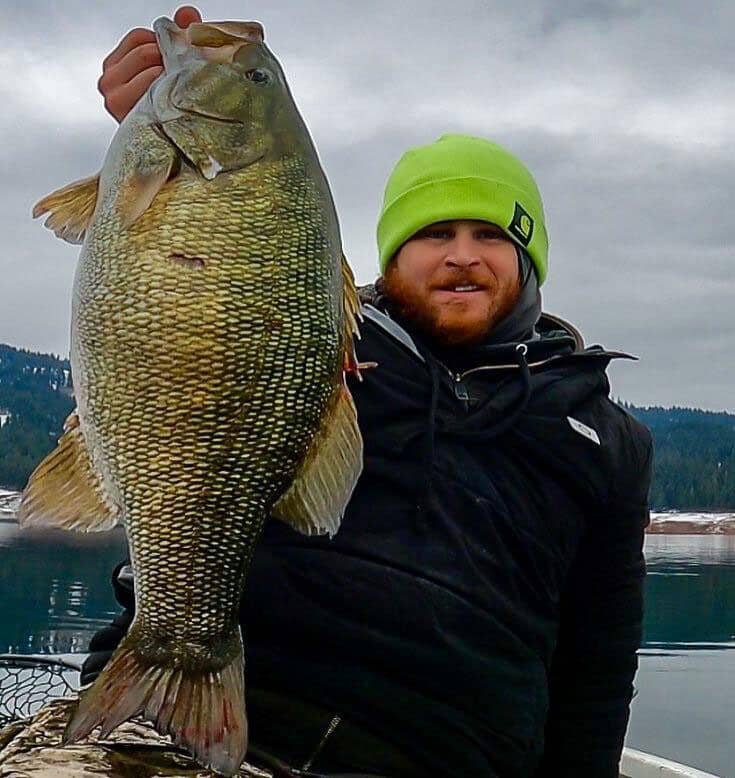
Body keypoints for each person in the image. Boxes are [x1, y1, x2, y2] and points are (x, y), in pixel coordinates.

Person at [82, 7, 653, 777]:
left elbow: (596, 656)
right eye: (432, 234)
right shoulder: (326, 343)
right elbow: (202, 302)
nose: (461, 256)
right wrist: (150, 119)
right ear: (387, 257)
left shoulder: (604, 435)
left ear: (527, 258)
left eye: (490, 235)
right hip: (210, 726)